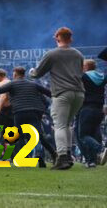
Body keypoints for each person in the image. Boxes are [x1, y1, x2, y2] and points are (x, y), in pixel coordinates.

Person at [0, 67, 57, 166]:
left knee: (20, 137)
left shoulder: (12, 84)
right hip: (34, 112)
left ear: (15, 74)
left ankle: (25, 157)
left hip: (19, 112)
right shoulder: (33, 84)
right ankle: (39, 154)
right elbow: (48, 93)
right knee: (37, 135)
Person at [29, 27, 84, 170]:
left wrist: (31, 72)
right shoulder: (78, 54)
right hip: (78, 93)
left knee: (59, 125)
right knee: (66, 124)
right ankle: (68, 154)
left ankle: (62, 158)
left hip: (62, 93)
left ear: (58, 38)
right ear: (70, 38)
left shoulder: (52, 54)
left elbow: (36, 74)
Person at [76, 59, 106, 167]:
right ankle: (93, 161)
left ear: (86, 67)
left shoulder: (83, 77)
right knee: (93, 134)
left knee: (83, 135)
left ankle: (101, 150)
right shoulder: (102, 77)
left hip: (87, 108)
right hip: (99, 109)